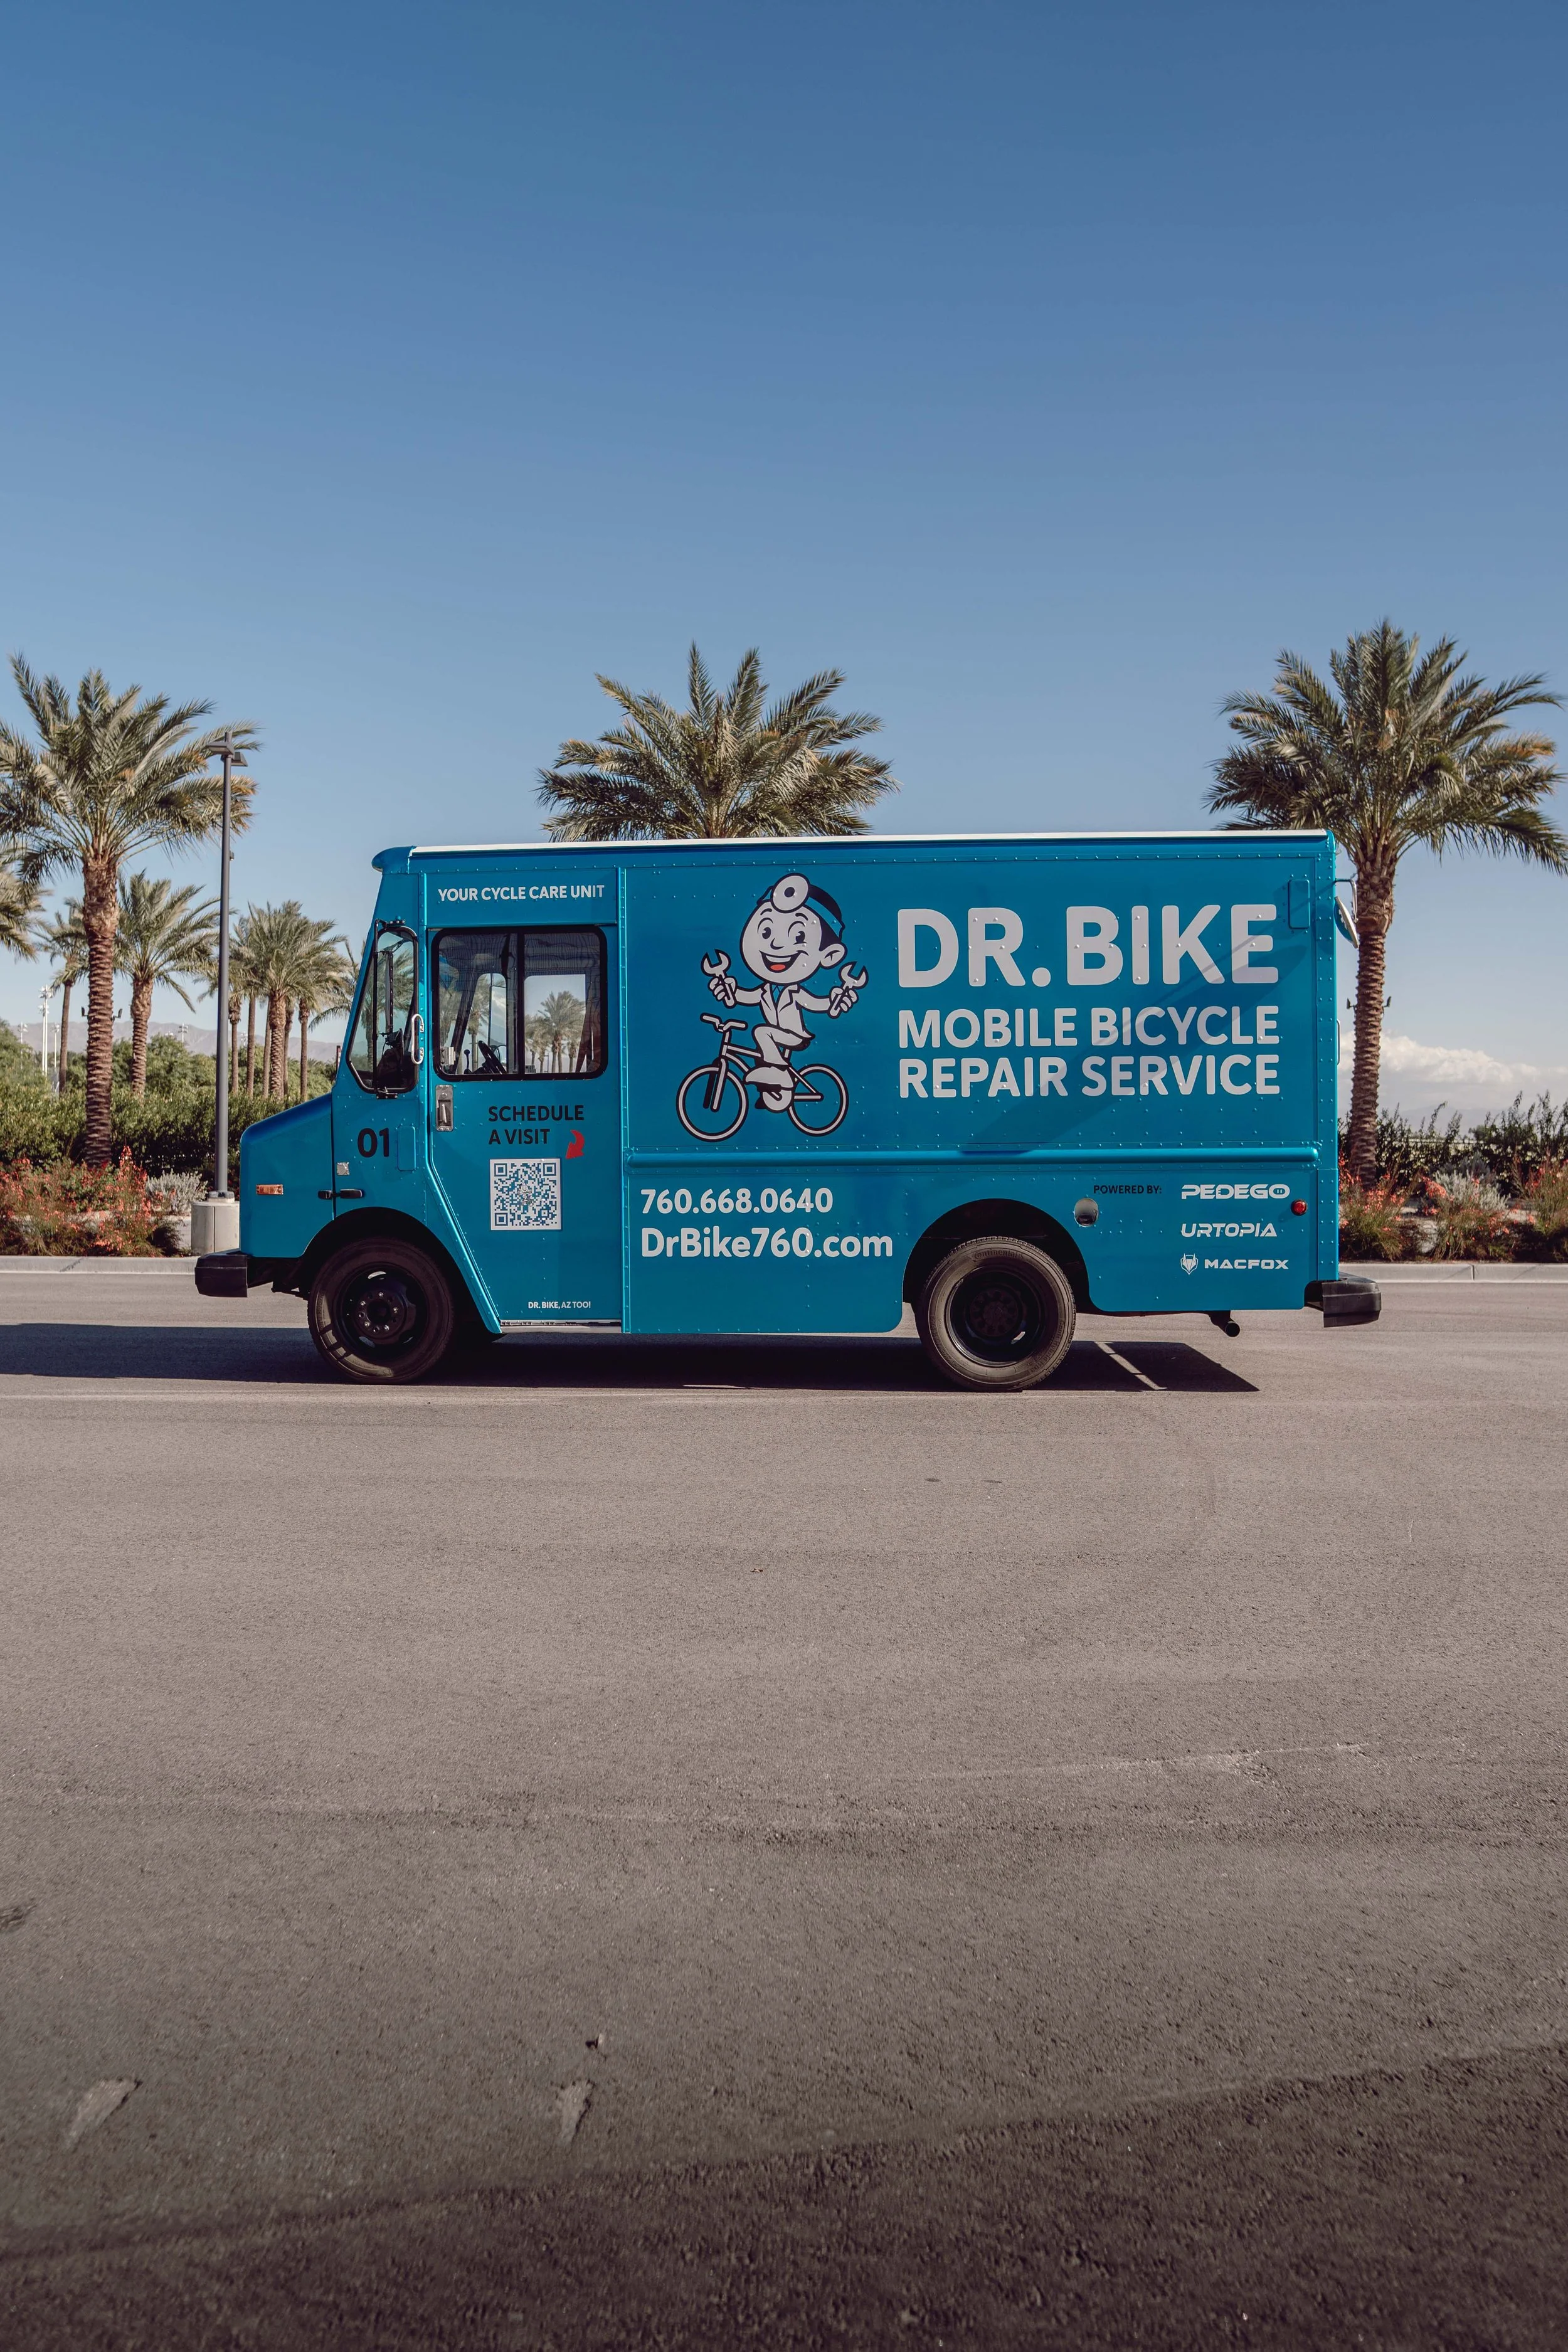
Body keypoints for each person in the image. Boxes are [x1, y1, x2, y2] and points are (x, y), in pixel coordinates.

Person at [704, 873, 867, 1111]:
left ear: (829, 955)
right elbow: (743, 996)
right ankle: (774, 1089)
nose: (777, 946)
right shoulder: (765, 991)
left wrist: (835, 1001)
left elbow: (817, 1004)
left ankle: (779, 1076)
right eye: (766, 932)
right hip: (779, 1036)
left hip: (795, 1036)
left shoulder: (795, 992)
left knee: (762, 1033)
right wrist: (727, 987)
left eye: (799, 935)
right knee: (764, 1046)